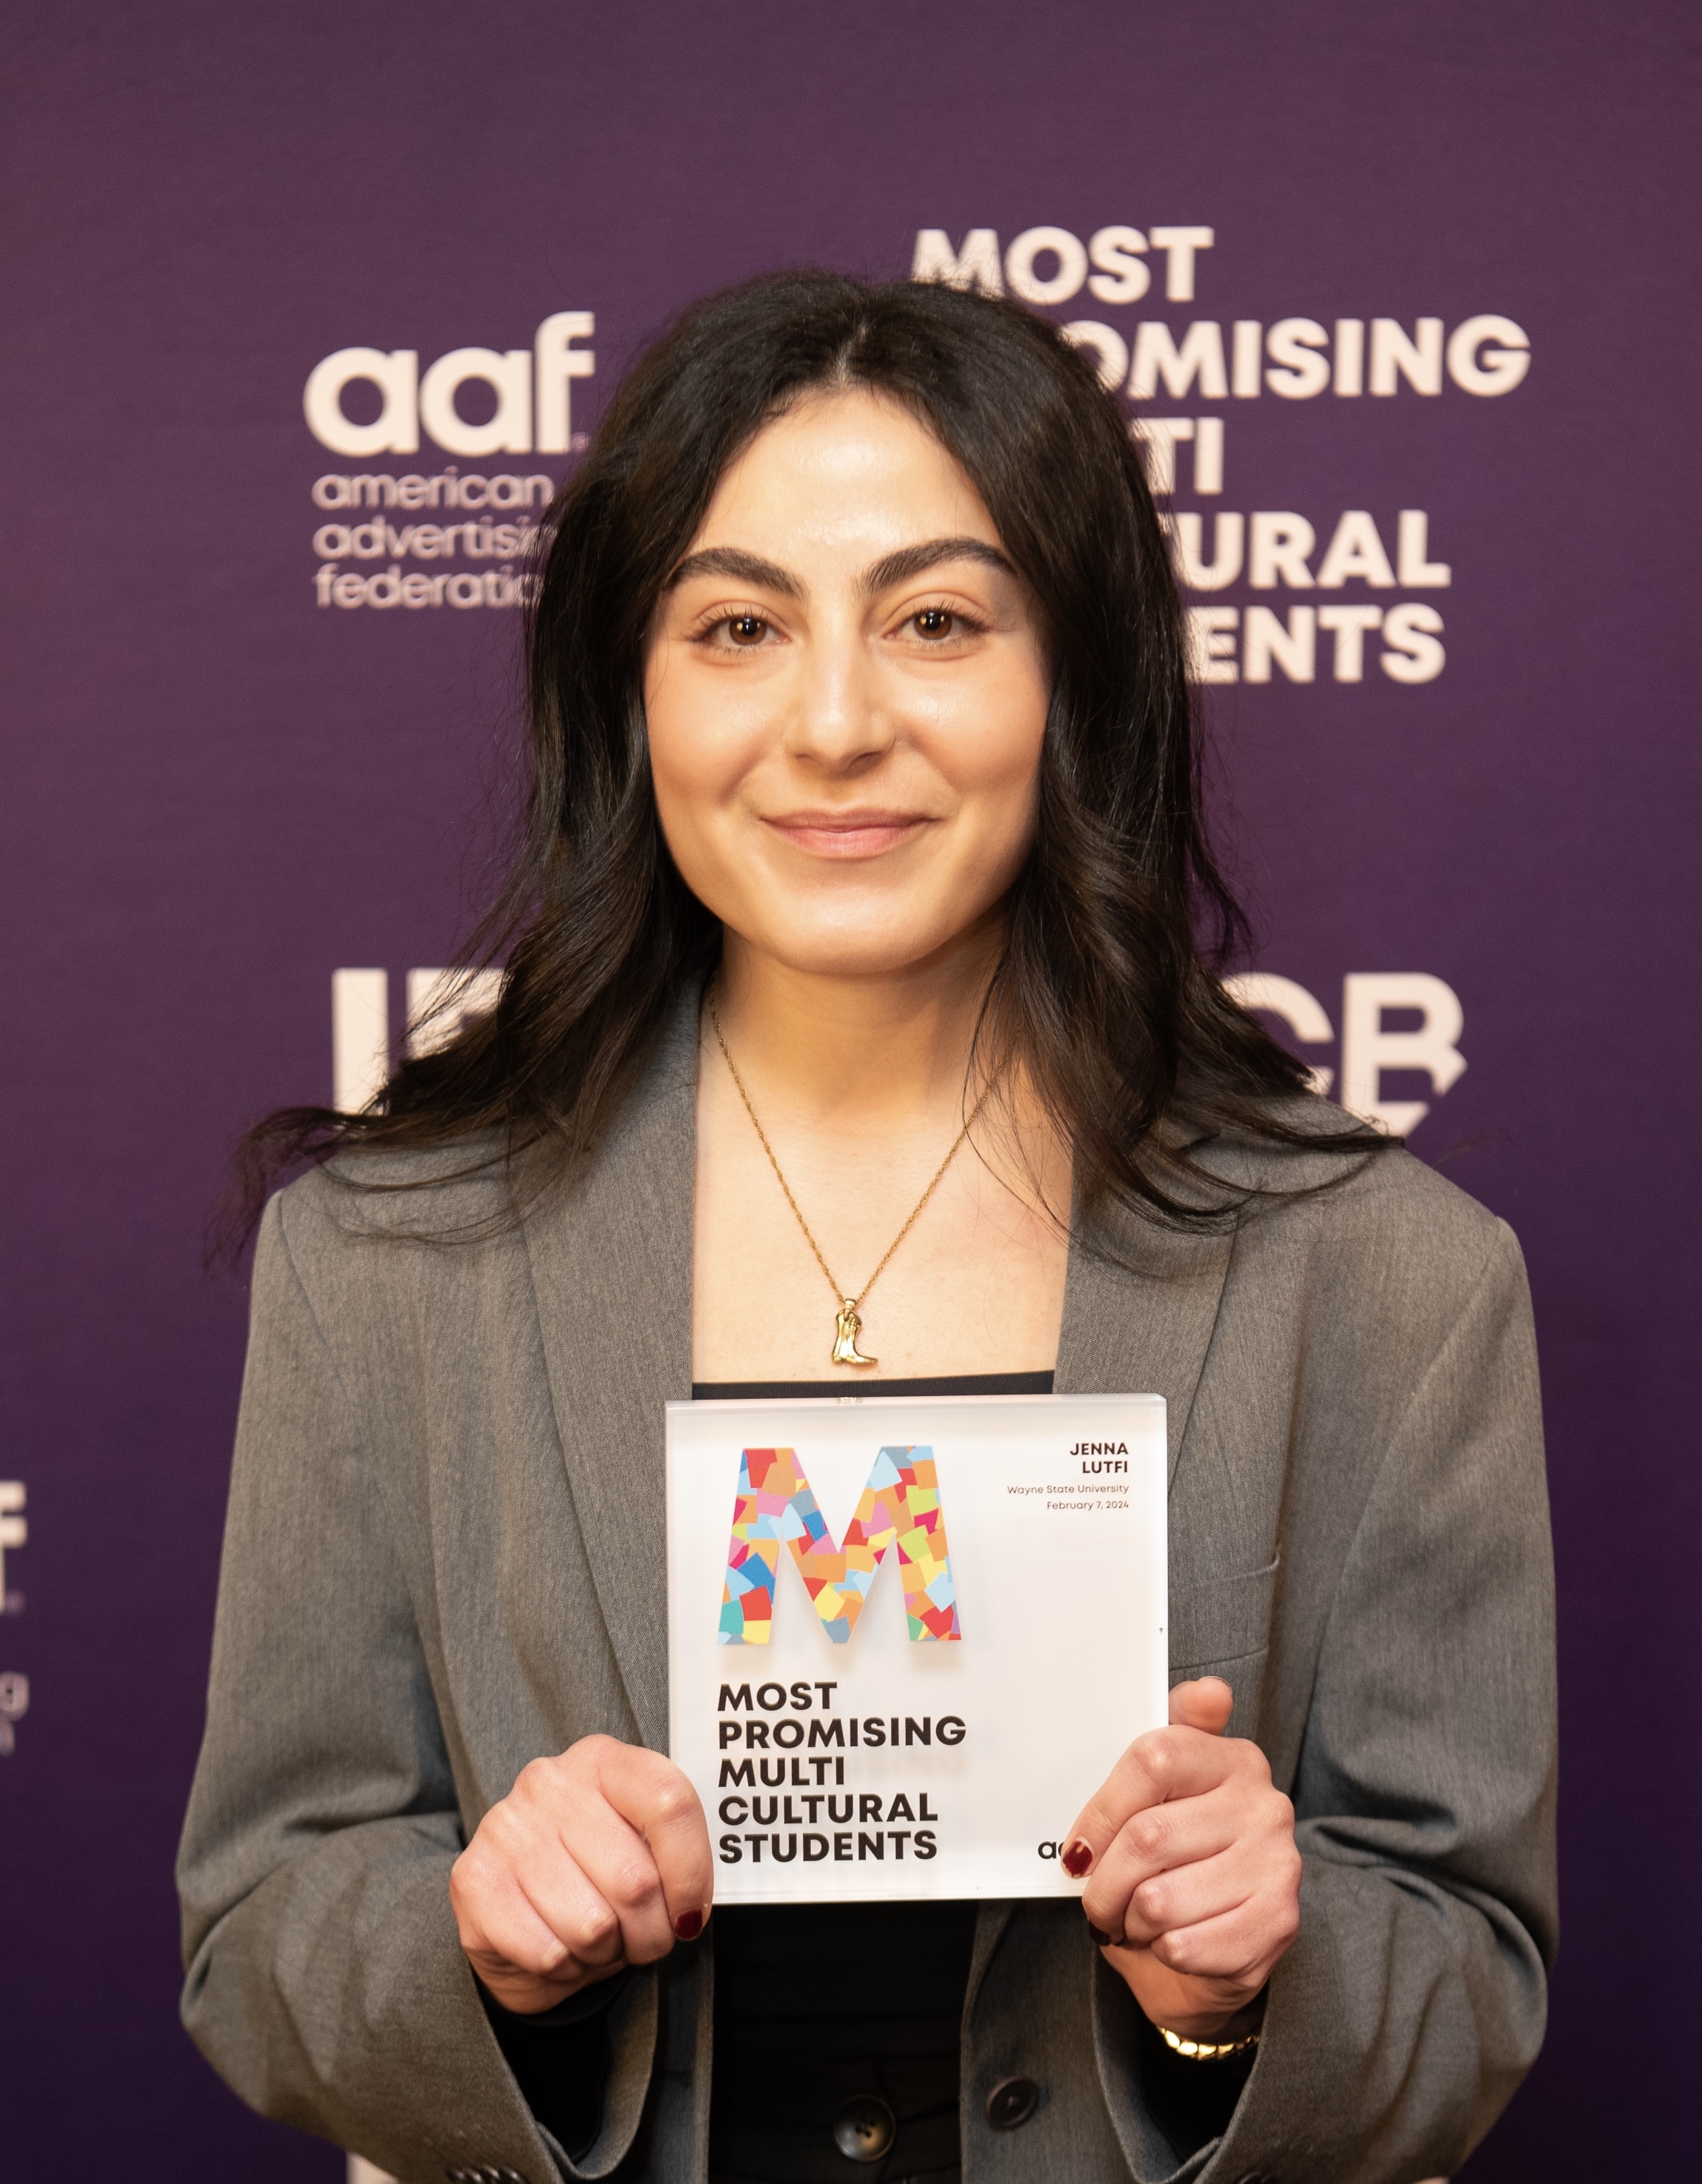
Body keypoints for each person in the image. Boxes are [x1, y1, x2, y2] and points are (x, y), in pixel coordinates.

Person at [178, 272, 1556, 2184]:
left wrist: (1237, 1983)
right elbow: (260, 1942)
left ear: (1077, 675)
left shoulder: (1389, 1276)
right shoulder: (391, 1266)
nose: (832, 724)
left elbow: (1469, 1981)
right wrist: (479, 1954)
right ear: (625, 685)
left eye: (932, 622)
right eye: (737, 626)